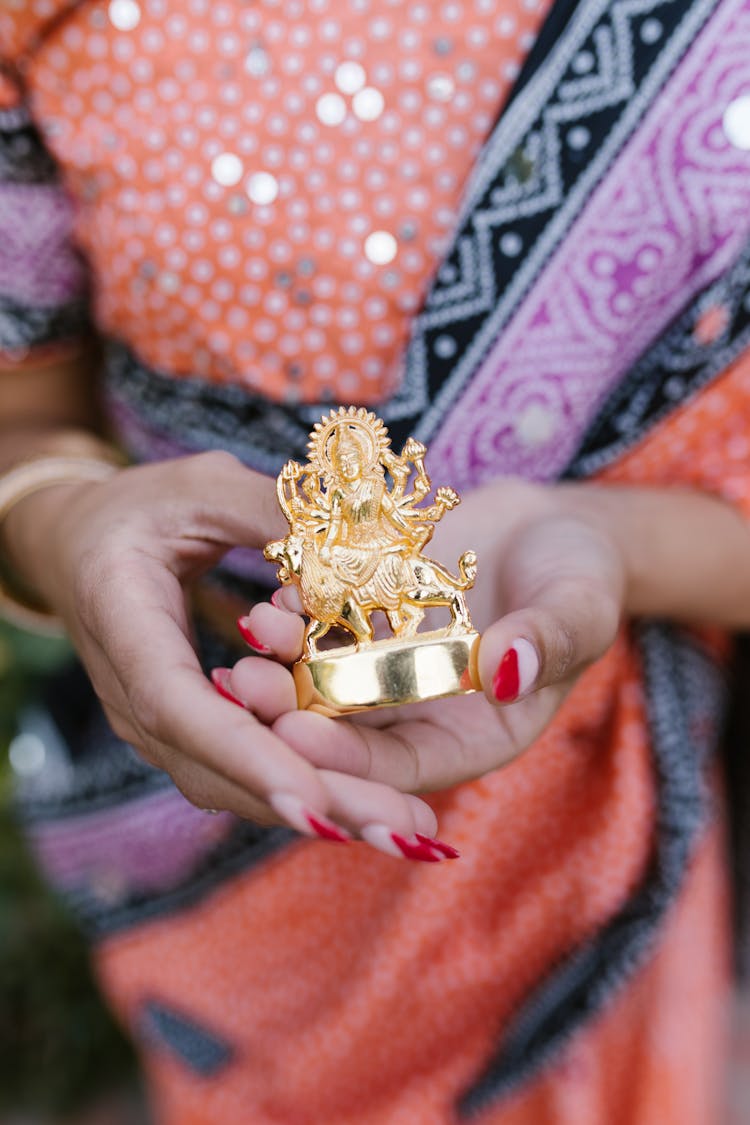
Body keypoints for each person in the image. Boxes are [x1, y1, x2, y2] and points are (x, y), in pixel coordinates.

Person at [1, 0, 750, 1121]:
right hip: (244, 884)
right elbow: (25, 415)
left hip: (620, 846)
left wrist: (615, 548)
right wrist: (71, 526)